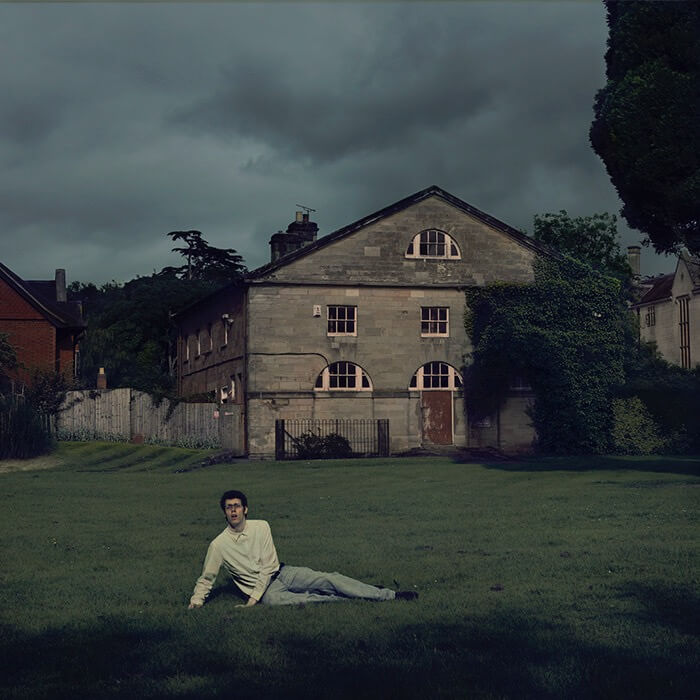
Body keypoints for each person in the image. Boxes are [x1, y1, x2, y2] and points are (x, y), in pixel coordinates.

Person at [188, 489, 418, 608]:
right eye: (229, 508)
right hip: (269, 593)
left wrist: (250, 602)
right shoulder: (218, 545)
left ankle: (388, 595)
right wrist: (196, 602)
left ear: (246, 509)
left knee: (329, 579)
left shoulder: (262, 527)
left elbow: (269, 567)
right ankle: (355, 598)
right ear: (224, 512)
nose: (234, 511)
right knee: (305, 600)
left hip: (283, 573)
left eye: (237, 506)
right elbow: (207, 577)